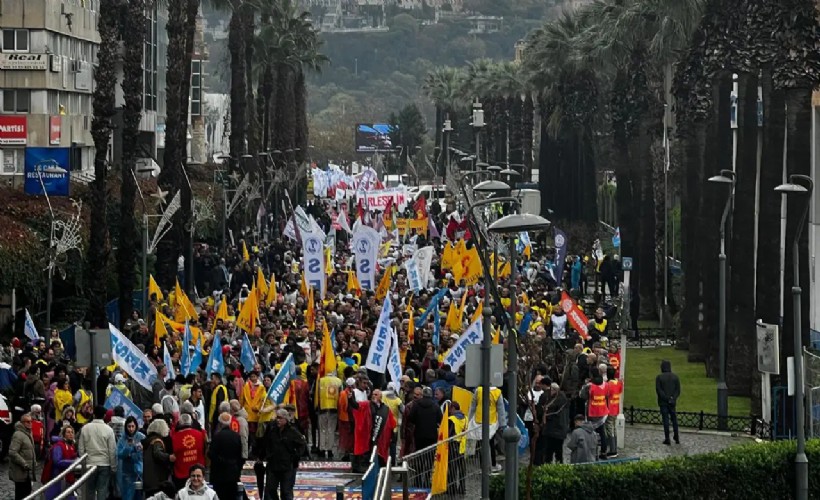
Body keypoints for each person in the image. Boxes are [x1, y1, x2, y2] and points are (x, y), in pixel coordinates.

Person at [258, 408, 307, 500]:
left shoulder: (292, 431)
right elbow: (266, 443)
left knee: (286, 491)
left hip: (286, 466)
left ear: (285, 419)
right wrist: (261, 457)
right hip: (273, 465)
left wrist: (295, 457)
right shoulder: (272, 430)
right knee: (270, 489)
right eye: (277, 418)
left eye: (280, 418)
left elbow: (302, 444)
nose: (278, 420)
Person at [349, 388, 397, 471]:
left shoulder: (385, 409)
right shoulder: (367, 404)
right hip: (368, 435)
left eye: (376, 394)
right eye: (373, 394)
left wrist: (393, 434)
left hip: (380, 437)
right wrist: (350, 399)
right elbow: (356, 406)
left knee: (379, 455)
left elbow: (391, 422)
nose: (373, 396)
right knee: (367, 453)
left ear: (380, 397)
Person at [77, 405, 117, 500]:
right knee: (102, 490)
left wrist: (84, 462)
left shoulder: (85, 428)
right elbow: (112, 450)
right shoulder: (109, 430)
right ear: (104, 416)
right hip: (105, 463)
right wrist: (113, 467)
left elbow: (81, 448)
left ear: (94, 415)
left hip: (89, 463)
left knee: (89, 490)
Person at [209, 412, 244, 500]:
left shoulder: (217, 436)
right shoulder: (236, 436)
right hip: (233, 473)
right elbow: (240, 455)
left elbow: (211, 454)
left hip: (219, 474)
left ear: (220, 423)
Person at [171, 413, 206, 491]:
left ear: (179, 423)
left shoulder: (174, 437)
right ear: (191, 423)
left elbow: (173, 455)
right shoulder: (201, 434)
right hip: (198, 472)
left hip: (181, 473)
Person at [143, 418, 175, 496]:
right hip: (157, 478)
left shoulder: (148, 440)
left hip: (147, 478)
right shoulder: (157, 441)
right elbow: (158, 453)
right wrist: (169, 457)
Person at [117, 416, 146, 500]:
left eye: (133, 426)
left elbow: (146, 451)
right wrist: (129, 449)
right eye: (129, 426)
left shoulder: (141, 437)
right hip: (127, 473)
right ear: (126, 427)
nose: (131, 429)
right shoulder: (122, 439)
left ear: (136, 426)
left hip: (140, 471)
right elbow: (119, 454)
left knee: (139, 496)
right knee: (127, 496)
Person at [9, 412, 36, 500]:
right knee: (21, 495)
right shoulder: (18, 435)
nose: (30, 423)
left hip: (27, 473)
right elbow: (13, 452)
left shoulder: (28, 433)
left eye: (31, 421)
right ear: (22, 423)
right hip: (21, 472)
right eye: (27, 422)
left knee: (27, 494)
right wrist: (24, 463)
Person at [408, 387, 442, 452]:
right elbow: (440, 419)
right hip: (432, 435)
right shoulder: (435, 406)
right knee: (430, 455)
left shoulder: (416, 404)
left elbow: (411, 417)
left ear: (423, 394)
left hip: (419, 434)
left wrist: (417, 422)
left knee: (419, 454)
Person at [656, 359, 681, 445]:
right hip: (672, 402)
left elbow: (659, 390)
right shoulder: (675, 377)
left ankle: (667, 438)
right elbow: (678, 390)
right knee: (674, 419)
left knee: (665, 420)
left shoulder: (659, 377)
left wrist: (666, 398)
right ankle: (676, 436)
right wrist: (672, 398)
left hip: (663, 402)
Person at [604, 367, 622, 457]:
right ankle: (614, 448)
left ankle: (612, 450)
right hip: (616, 408)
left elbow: (605, 395)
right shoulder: (618, 383)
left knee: (610, 429)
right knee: (614, 428)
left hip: (609, 409)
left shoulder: (608, 384)